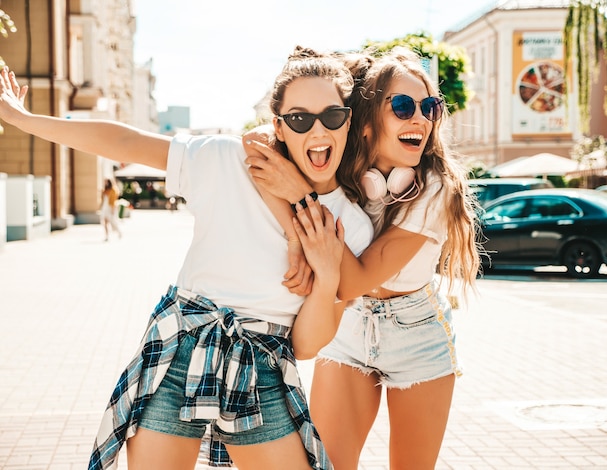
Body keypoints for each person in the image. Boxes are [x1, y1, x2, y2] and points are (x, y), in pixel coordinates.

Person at [0, 45, 373, 470]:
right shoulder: (228, 158)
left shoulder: (352, 225)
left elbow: (305, 347)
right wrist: (22, 120)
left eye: (332, 116)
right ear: (279, 127)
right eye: (300, 119)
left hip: (261, 365)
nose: (318, 130)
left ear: (348, 121)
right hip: (181, 346)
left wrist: (326, 278)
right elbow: (126, 140)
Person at [244, 47, 481, 469]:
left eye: (429, 107)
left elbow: (352, 280)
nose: (420, 119)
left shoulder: (433, 189)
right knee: (329, 463)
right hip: (349, 326)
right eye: (404, 106)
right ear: (367, 124)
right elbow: (261, 138)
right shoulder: (344, 166)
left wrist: (304, 192)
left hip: (417, 333)